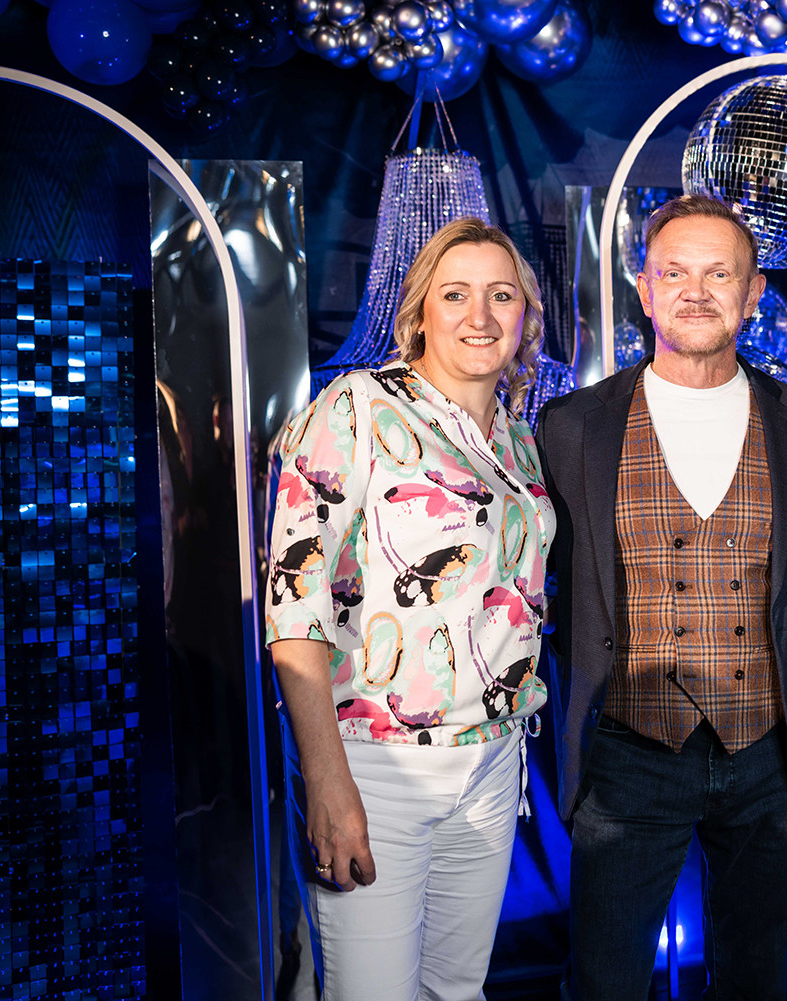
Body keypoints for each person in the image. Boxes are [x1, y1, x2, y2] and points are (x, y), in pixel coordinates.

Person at [536, 194, 787, 1001]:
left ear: (754, 291)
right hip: (627, 749)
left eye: (718, 274)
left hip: (768, 749)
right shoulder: (572, 425)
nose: (696, 291)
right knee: (606, 983)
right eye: (674, 272)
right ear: (644, 287)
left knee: (757, 981)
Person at [266, 217, 554, 1000]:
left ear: (526, 314)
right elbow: (294, 606)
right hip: (376, 763)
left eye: (502, 295)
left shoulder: (518, 441)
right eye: (455, 294)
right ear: (419, 311)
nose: (480, 315)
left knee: (456, 991)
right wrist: (327, 781)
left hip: (492, 760)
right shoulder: (357, 407)